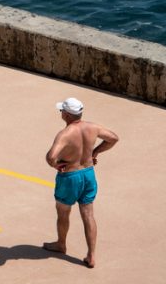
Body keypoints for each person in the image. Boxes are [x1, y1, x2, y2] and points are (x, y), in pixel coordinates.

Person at [42, 97, 119, 268]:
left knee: (63, 212)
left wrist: (56, 165)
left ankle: (61, 244)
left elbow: (50, 157)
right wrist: (95, 152)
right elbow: (113, 138)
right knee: (88, 214)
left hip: (70, 178)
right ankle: (91, 256)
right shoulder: (92, 127)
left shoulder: (65, 134)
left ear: (67, 115)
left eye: (62, 110)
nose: (61, 113)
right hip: (88, 175)